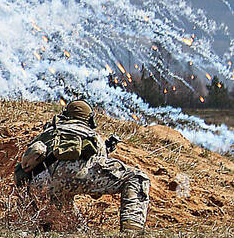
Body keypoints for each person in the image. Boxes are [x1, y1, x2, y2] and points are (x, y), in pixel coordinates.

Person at [15, 99, 150, 231]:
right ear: (89, 119)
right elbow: (100, 165)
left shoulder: (48, 132)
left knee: (75, 226)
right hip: (77, 176)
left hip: (42, 184)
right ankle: (132, 227)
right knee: (137, 177)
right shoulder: (91, 135)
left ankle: (69, 229)